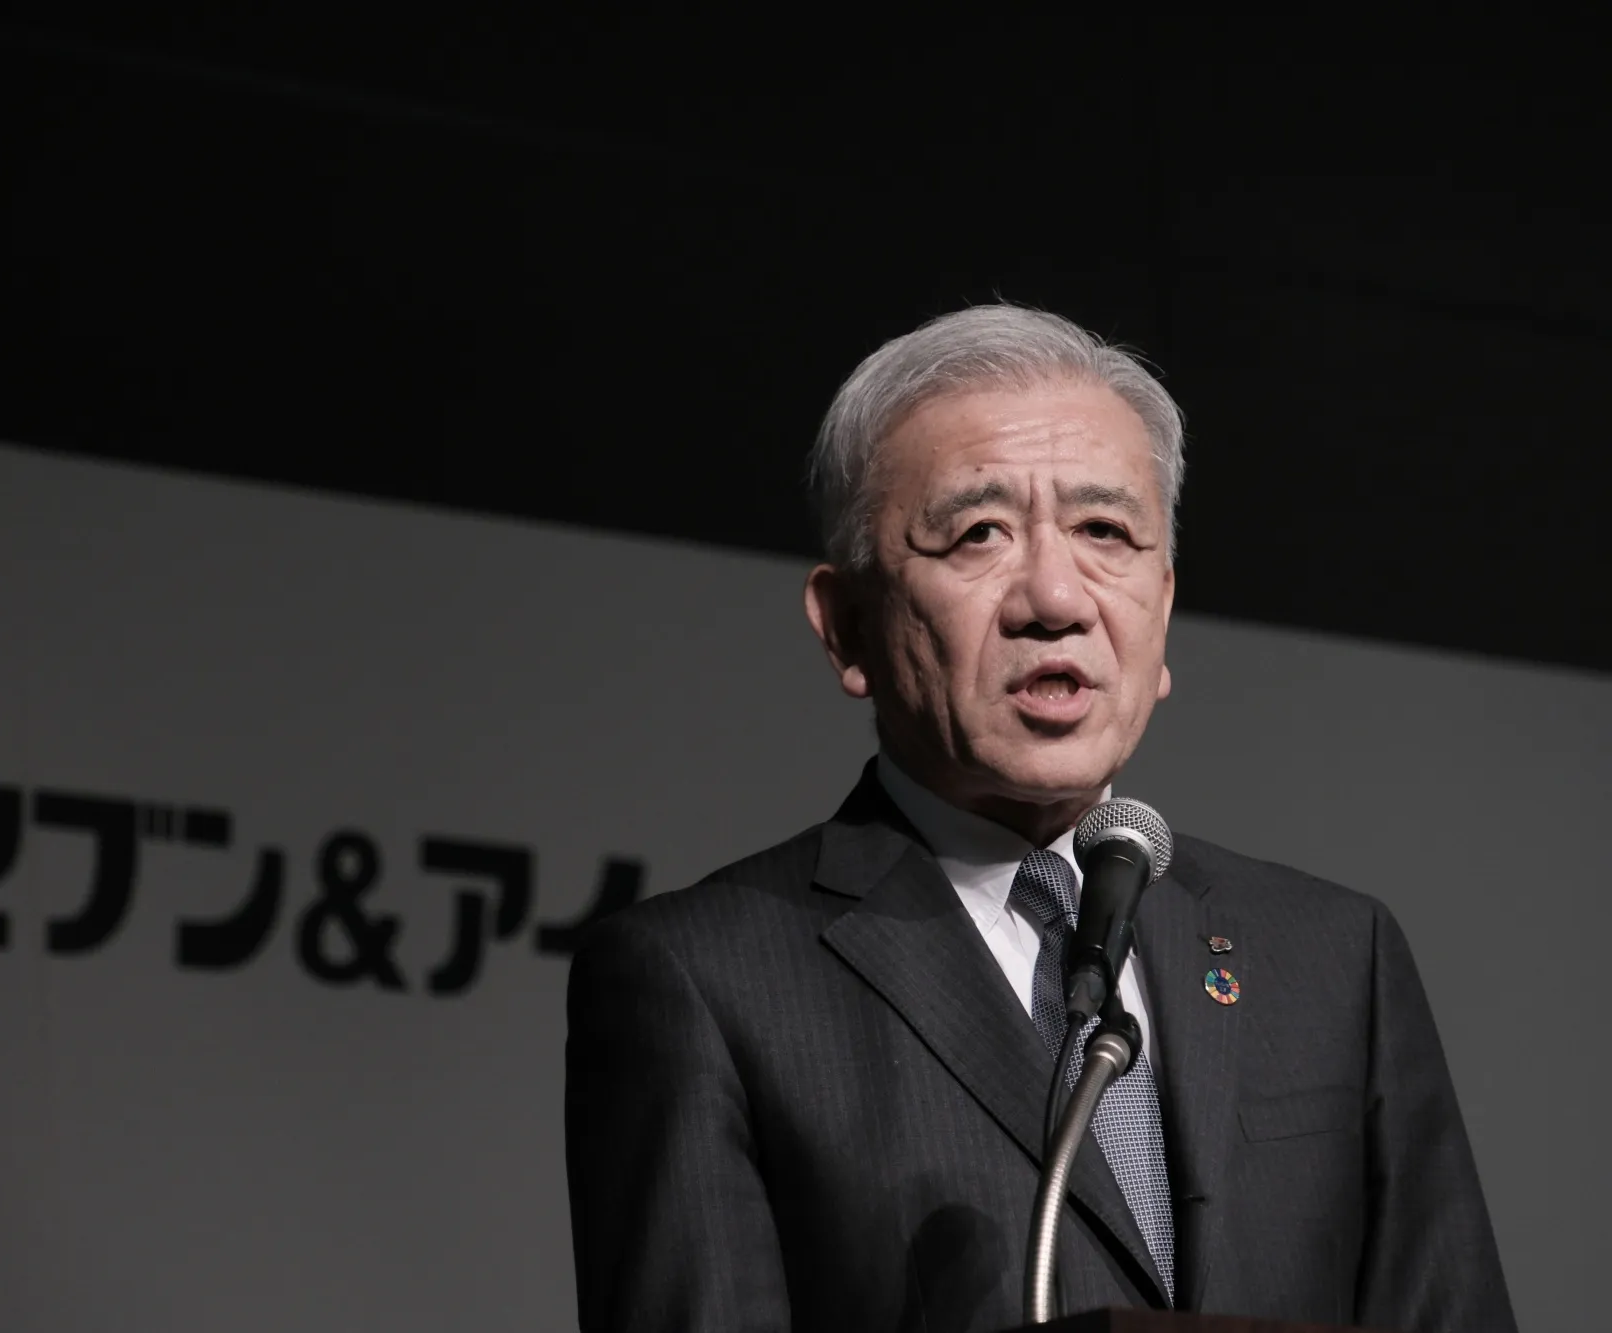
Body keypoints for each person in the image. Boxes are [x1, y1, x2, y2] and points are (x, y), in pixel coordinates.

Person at [562, 305, 1515, 1332]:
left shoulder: (1331, 956)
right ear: (846, 626)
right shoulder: (704, 980)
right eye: (977, 533)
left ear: (1161, 608)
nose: (1055, 597)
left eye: (1105, 532)